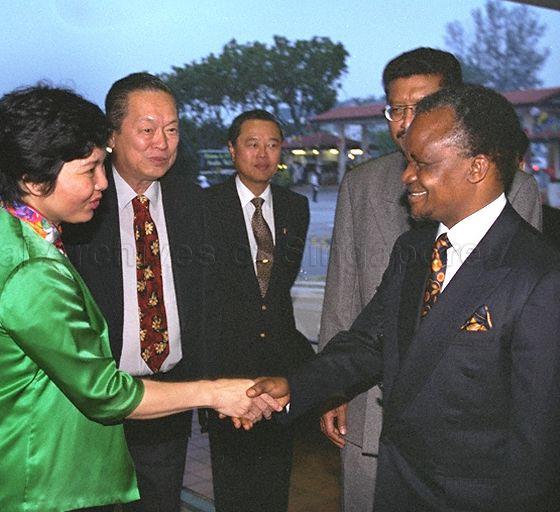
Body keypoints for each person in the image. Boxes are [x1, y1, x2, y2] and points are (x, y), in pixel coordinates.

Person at [0, 85, 281, 512]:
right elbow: (105, 393)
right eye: (89, 170)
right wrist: (215, 393)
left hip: (51, 456)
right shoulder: (30, 268)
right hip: (33, 479)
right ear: (32, 177)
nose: (102, 181)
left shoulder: (12, 231)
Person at [250, 84, 560, 511]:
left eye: (422, 163)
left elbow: (537, 441)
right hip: (398, 486)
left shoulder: (540, 274)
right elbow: (369, 343)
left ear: (477, 167)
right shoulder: (413, 251)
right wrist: (294, 385)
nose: (406, 176)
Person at [317, 47, 543, 512]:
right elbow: (345, 295)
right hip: (373, 412)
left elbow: (524, 323)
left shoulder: (517, 196)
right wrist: (325, 387)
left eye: (418, 108)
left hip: (466, 438)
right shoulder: (363, 188)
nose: (403, 122)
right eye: (394, 109)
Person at [63, 73, 207, 512]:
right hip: (93, 406)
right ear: (111, 136)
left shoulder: (193, 205)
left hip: (169, 402)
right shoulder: (79, 210)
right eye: (146, 130)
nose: (162, 142)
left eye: (172, 129)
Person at [203, 110, 315, 512]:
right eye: (252, 144)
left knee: (275, 483)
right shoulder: (205, 207)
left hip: (279, 368)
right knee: (233, 488)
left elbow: (277, 292)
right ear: (232, 150)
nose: (263, 154)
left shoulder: (295, 207)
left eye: (272, 144)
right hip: (227, 370)